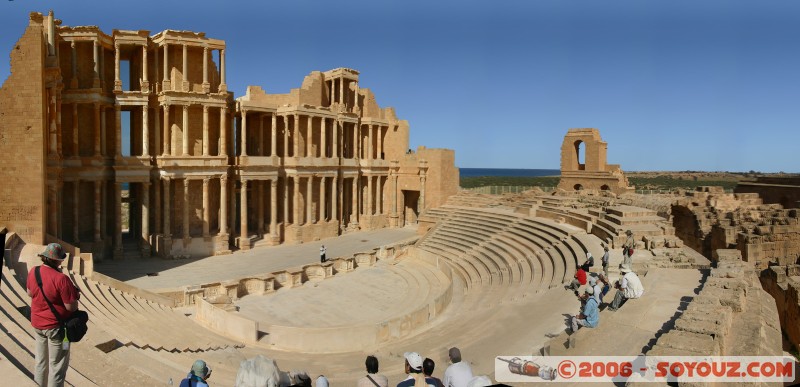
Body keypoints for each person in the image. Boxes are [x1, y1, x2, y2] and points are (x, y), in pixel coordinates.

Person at [27, 243, 79, 387]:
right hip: (56, 328)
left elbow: (30, 293)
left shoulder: (34, 271)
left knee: (41, 362)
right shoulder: (61, 279)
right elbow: (71, 307)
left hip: (37, 324)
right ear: (58, 260)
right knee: (57, 367)